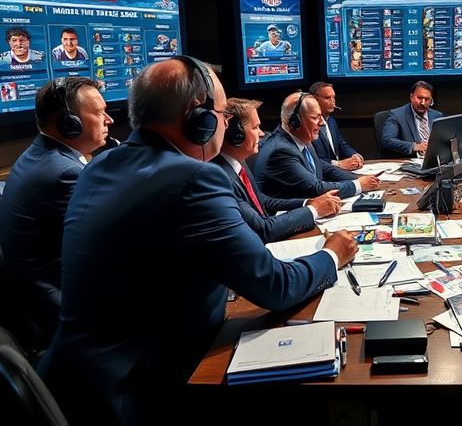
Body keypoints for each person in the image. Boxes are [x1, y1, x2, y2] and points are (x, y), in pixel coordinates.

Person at [38, 57, 358, 424]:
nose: (224, 124)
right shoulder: (194, 179)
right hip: (141, 393)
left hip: (76, 384)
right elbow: (275, 286)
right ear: (198, 118)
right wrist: (332, 254)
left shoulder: (101, 163)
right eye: (221, 114)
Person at [0, 77, 112, 351]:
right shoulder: (66, 173)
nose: (109, 120)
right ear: (70, 123)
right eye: (99, 112)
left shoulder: (39, 153)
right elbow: (107, 246)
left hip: (29, 297)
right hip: (55, 308)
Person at [211, 97, 342, 243]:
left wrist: (308, 203)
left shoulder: (238, 163)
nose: (261, 133)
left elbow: (263, 202)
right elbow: (263, 229)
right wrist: (315, 210)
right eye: (255, 127)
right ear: (236, 134)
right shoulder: (220, 177)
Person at [254, 92, 379, 199]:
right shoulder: (280, 151)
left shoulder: (303, 141)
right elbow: (316, 188)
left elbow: (325, 169)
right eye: (315, 118)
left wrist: (359, 179)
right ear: (295, 122)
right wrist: (358, 185)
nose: (322, 123)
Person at [380, 81, 443, 158]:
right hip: (410, 160)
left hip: (435, 159)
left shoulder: (437, 116)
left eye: (427, 99)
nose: (423, 103)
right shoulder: (396, 115)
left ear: (431, 101)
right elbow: (387, 140)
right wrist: (414, 146)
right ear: (411, 97)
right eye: (419, 98)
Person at [310, 81, 364, 170]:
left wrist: (355, 155)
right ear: (314, 100)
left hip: (338, 172)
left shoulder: (331, 121)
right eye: (327, 98)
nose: (333, 101)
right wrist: (337, 164)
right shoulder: (309, 125)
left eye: (333, 97)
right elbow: (312, 159)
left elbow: (341, 144)